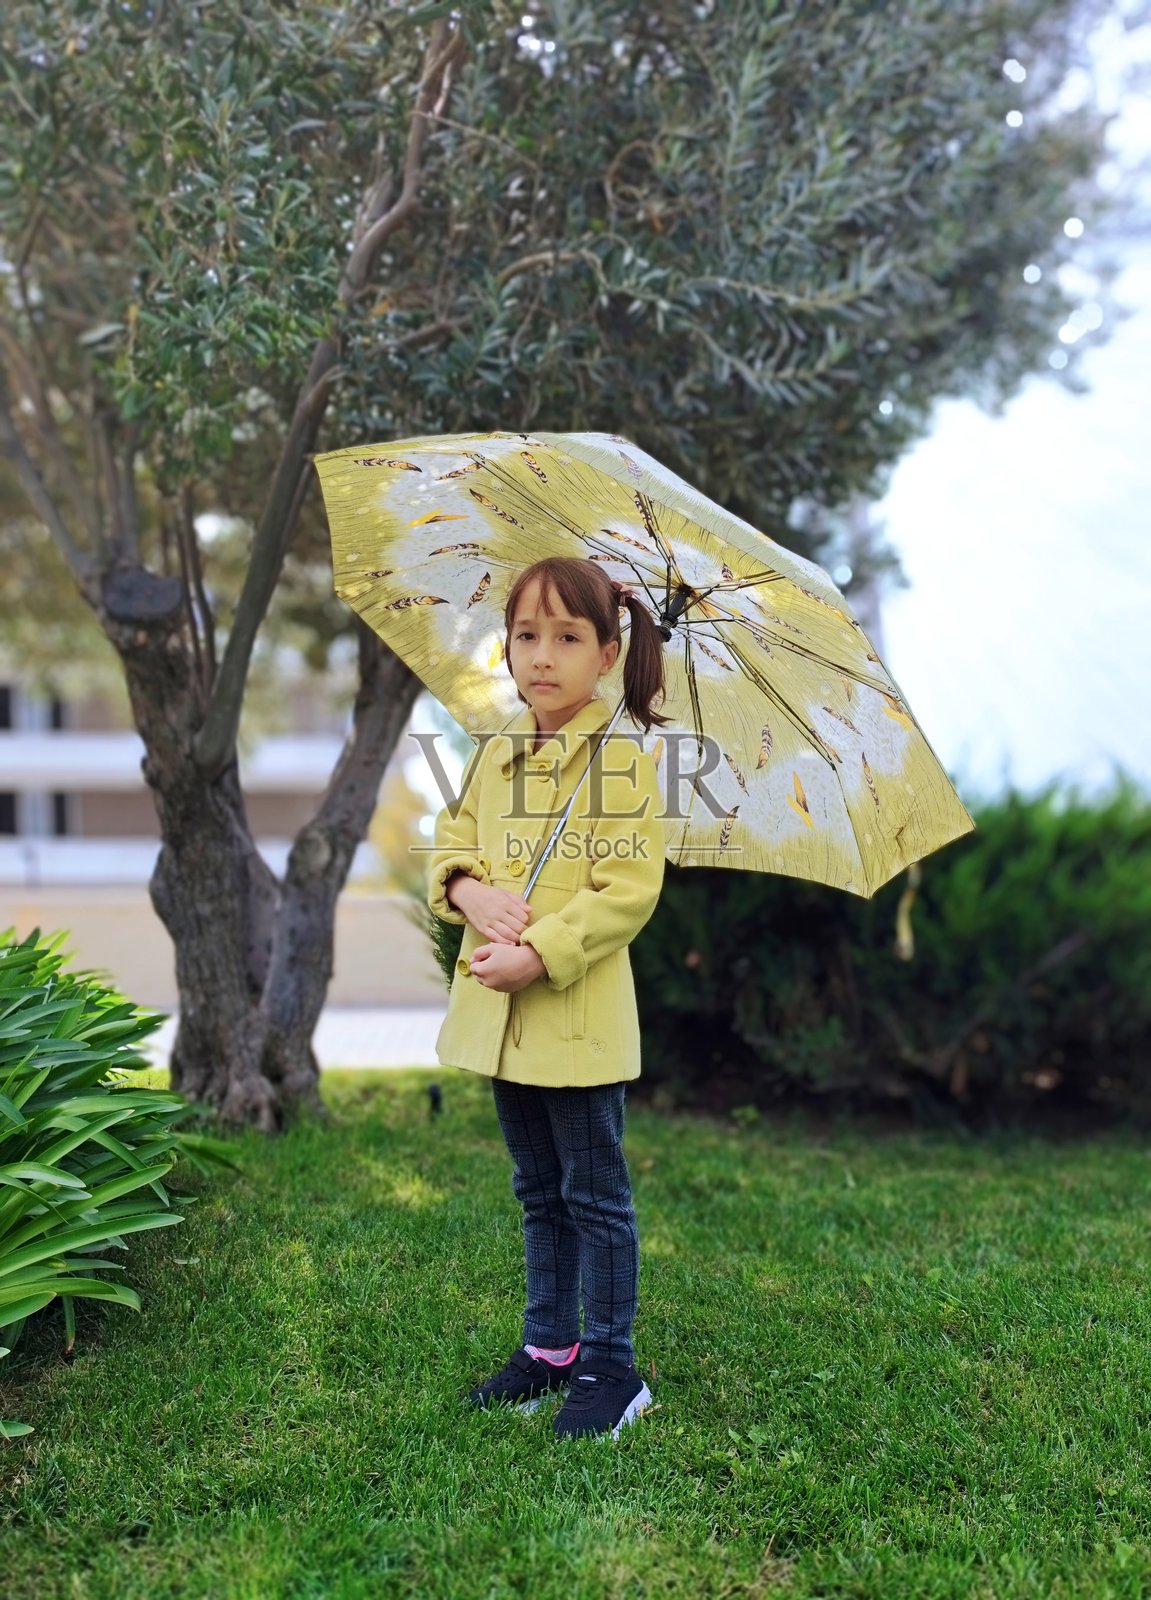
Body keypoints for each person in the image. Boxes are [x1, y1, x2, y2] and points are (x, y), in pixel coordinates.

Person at [426, 555, 669, 1441]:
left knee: (593, 1194)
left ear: (606, 655)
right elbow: (451, 837)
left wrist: (539, 951)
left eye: (566, 637)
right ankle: (551, 1347)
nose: (541, 655)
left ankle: (611, 1366)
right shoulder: (497, 752)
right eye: (526, 635)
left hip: (573, 1020)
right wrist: (467, 891)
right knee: (537, 1190)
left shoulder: (621, 764)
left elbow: (626, 892)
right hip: (503, 1022)